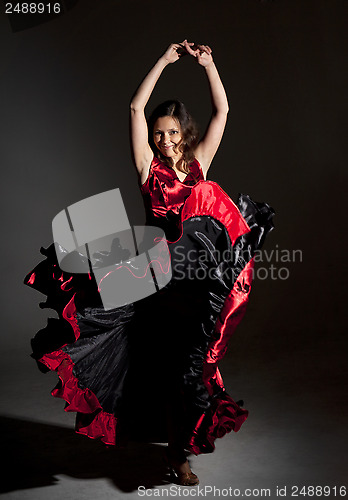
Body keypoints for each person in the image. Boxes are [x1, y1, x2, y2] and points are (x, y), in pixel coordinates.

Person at [24, 41, 274, 488]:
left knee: (190, 370)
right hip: (155, 284)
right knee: (153, 369)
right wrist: (163, 60)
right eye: (158, 134)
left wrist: (209, 65)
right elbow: (136, 106)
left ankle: (179, 456)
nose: (163, 141)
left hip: (195, 289)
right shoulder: (147, 170)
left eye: (171, 133)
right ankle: (156, 441)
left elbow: (224, 110)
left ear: (185, 134)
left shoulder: (198, 166)